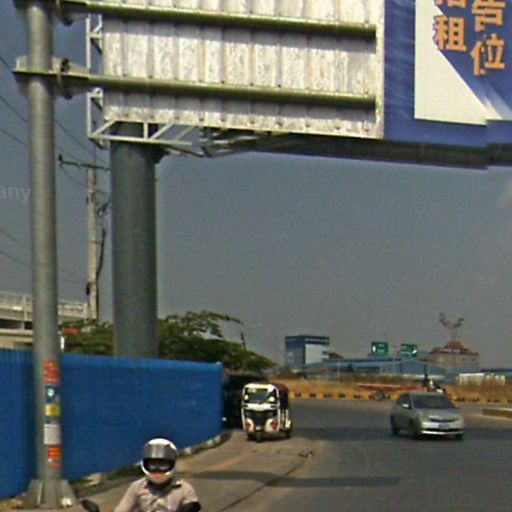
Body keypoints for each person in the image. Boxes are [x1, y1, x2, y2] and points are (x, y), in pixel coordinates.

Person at [114, 438, 201, 512]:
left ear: (172, 464)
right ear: (145, 464)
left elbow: (192, 506)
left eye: (163, 465)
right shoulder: (137, 487)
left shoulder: (185, 489)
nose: (157, 470)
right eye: (153, 465)